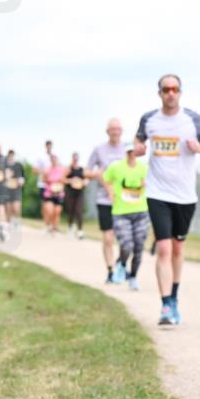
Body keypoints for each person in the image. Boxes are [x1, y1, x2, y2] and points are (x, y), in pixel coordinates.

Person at [135, 74, 200, 326]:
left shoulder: (192, 119)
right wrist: (138, 148)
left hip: (185, 194)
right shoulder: (149, 119)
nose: (171, 93)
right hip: (157, 192)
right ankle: (166, 304)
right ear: (159, 93)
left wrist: (198, 148)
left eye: (175, 89)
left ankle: (175, 296)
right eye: (166, 89)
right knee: (164, 247)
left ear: (180, 92)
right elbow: (138, 139)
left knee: (178, 248)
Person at [103, 142, 150, 291]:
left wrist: (145, 185)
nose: (131, 154)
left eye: (133, 151)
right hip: (121, 212)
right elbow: (106, 179)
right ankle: (122, 264)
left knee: (139, 247)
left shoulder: (144, 167)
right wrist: (110, 191)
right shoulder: (116, 166)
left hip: (141, 211)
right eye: (128, 151)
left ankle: (134, 277)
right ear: (125, 152)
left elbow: (148, 182)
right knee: (127, 245)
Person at [87, 119, 127, 283]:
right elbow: (87, 171)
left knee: (126, 240)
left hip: (125, 200)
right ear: (107, 131)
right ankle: (110, 270)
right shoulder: (99, 150)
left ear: (122, 131)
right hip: (104, 199)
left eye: (118, 129)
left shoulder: (127, 149)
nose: (115, 132)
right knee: (108, 238)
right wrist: (98, 174)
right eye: (112, 129)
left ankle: (120, 264)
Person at [41, 153, 67, 234]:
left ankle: (55, 227)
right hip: (49, 193)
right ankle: (49, 225)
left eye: (55, 159)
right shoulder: (47, 170)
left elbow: (65, 180)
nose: (54, 160)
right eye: (52, 159)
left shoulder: (62, 169)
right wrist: (49, 180)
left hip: (59, 193)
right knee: (50, 211)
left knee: (57, 211)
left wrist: (60, 182)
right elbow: (43, 180)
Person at [64, 152, 87, 239]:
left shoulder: (81, 169)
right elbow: (63, 179)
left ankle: (80, 230)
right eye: (74, 158)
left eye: (77, 158)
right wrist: (71, 180)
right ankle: (70, 227)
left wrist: (84, 182)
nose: (75, 160)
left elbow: (86, 179)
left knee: (79, 211)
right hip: (70, 193)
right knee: (71, 211)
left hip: (79, 193)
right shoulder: (68, 169)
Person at [34, 140, 54, 229]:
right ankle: (46, 222)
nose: (49, 147)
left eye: (50, 146)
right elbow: (35, 169)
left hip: (53, 185)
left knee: (52, 204)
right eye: (48, 146)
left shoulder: (54, 157)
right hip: (43, 184)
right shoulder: (41, 157)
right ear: (46, 146)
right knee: (45, 204)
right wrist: (44, 172)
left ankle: (51, 223)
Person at [4, 150, 25, 226]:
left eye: (12, 155)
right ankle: (7, 224)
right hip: (6, 190)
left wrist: (21, 181)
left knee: (16, 208)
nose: (11, 157)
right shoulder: (4, 165)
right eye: (10, 155)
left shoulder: (18, 165)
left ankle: (16, 223)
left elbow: (22, 176)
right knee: (8, 209)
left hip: (16, 190)